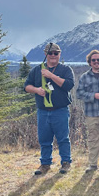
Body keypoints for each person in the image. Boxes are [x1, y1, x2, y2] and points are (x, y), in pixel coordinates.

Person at [24, 43, 75, 175]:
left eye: (56, 53)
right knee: (44, 139)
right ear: (45, 54)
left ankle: (66, 163)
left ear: (59, 54)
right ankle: (45, 164)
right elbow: (26, 86)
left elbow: (68, 85)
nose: (53, 55)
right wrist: (36, 90)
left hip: (60, 110)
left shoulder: (65, 69)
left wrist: (51, 76)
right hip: (43, 111)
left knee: (63, 138)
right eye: (50, 53)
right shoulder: (36, 70)